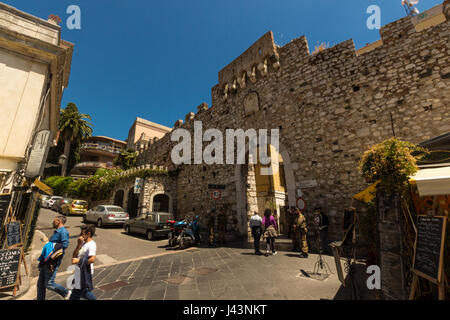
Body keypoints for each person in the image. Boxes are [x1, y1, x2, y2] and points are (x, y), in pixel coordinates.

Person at [37, 216, 70, 300]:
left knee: (49, 284)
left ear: (59, 221)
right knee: (40, 284)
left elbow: (64, 245)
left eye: (54, 220)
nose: (53, 222)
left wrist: (51, 247)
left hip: (52, 262)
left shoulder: (63, 232)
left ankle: (66, 293)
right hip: (45, 260)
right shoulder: (57, 232)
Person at [69, 224, 97, 300]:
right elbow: (74, 255)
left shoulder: (91, 245)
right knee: (80, 292)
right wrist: (78, 245)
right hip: (79, 271)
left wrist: (78, 260)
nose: (80, 235)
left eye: (82, 234)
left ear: (88, 234)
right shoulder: (83, 243)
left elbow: (92, 259)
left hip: (85, 272)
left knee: (81, 292)